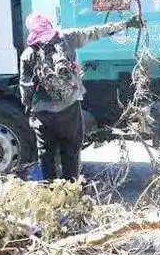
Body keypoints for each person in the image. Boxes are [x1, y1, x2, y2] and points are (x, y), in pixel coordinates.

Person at [19, 12, 141, 181]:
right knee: (71, 152)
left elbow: (26, 88)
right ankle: (70, 190)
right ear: (49, 24)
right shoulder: (67, 39)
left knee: (46, 156)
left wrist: (29, 108)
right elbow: (96, 31)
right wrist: (126, 24)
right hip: (69, 109)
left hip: (43, 115)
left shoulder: (27, 54)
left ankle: (50, 194)